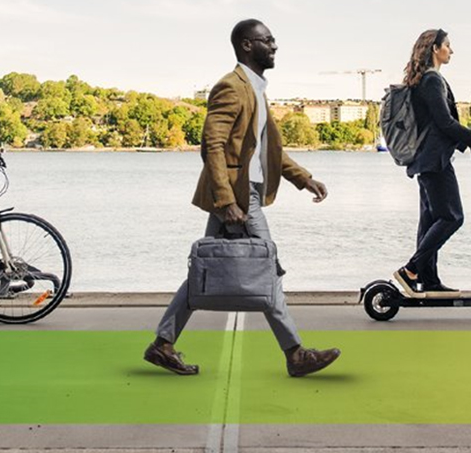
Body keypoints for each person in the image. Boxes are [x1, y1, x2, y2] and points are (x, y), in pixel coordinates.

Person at [144, 19, 341, 378]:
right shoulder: (231, 87)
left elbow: (268, 150)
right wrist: (226, 200)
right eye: (268, 40)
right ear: (248, 45)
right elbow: (212, 144)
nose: (275, 46)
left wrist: (304, 179)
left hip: (241, 194)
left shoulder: (256, 90)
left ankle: (162, 343)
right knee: (267, 267)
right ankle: (295, 353)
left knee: (206, 271)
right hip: (238, 196)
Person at [393, 29, 471, 295]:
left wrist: (466, 143)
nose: (451, 50)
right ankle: (410, 269)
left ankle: (428, 279)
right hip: (434, 160)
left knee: (430, 221)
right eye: (448, 45)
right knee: (452, 216)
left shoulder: (424, 80)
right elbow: (444, 122)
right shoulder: (431, 81)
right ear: (435, 48)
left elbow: (437, 124)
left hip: (426, 160)